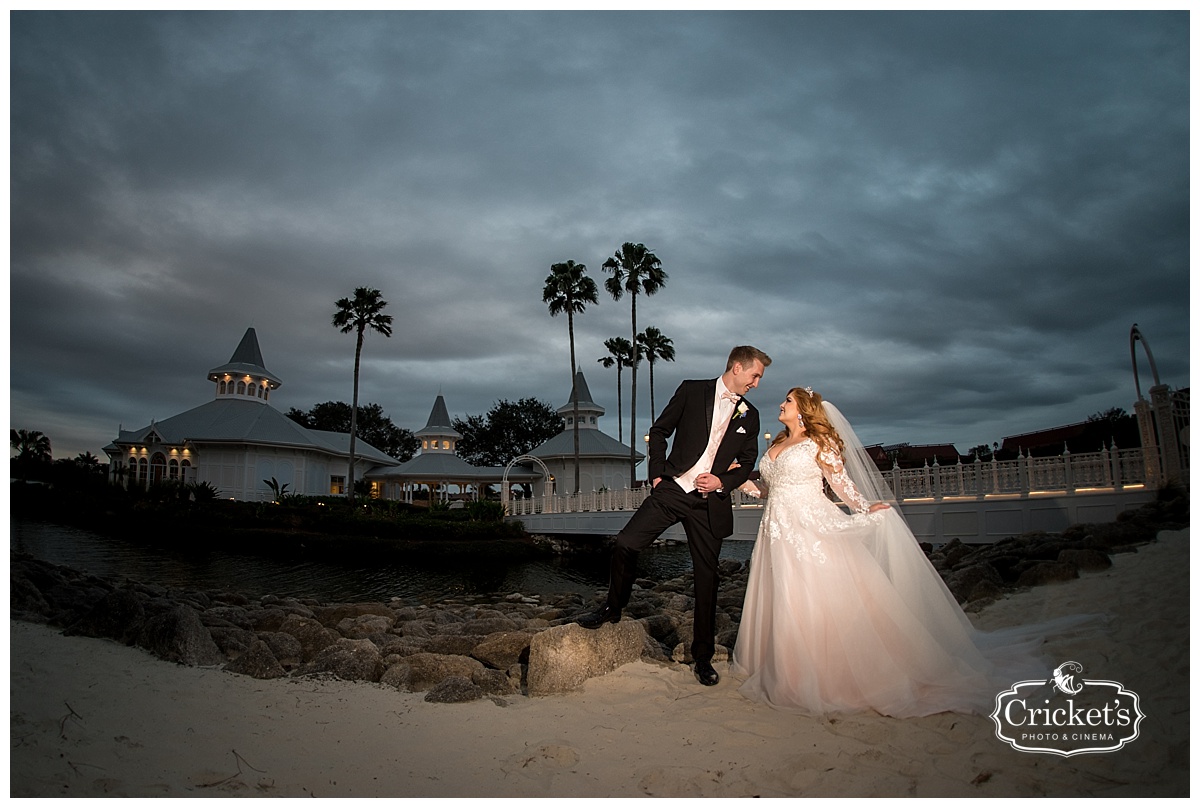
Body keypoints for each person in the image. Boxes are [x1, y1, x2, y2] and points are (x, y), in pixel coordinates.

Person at [732, 386, 1087, 717]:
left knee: (814, 595)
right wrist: (742, 480)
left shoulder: (818, 443)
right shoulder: (777, 443)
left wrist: (865, 507)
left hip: (811, 526)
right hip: (776, 530)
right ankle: (787, 667)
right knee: (784, 595)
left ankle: (823, 675)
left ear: (804, 410)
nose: (782, 404)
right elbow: (770, 489)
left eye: (789, 401)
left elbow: (840, 483)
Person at [577, 345, 772, 686]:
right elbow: (660, 430)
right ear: (737, 367)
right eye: (755, 375)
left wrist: (722, 481)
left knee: (706, 580)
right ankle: (613, 606)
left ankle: (703, 658)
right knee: (625, 543)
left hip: (710, 502)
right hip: (673, 490)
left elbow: (748, 461)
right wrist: (656, 474)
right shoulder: (691, 390)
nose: (756, 383)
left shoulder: (750, 415)